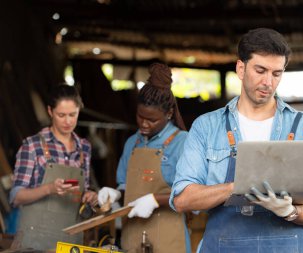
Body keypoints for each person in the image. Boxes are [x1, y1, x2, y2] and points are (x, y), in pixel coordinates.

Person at [170, 28, 303, 253]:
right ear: (241, 68)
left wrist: (291, 212)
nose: (268, 82)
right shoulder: (207, 127)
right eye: (260, 70)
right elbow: (182, 199)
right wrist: (237, 187)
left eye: (276, 73)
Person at [97, 63, 191, 253]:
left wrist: (156, 199)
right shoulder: (133, 143)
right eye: (140, 117)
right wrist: (115, 194)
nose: (144, 124)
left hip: (168, 241)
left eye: (152, 120)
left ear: (169, 113)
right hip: (132, 239)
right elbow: (126, 185)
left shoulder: (183, 143)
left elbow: (193, 195)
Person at [9, 84, 98, 250]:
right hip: (34, 242)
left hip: (70, 241)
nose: (68, 121)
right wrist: (49, 189)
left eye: (73, 114)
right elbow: (16, 197)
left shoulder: (84, 148)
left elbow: (80, 190)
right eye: (61, 115)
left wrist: (89, 196)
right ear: (50, 111)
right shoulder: (33, 146)